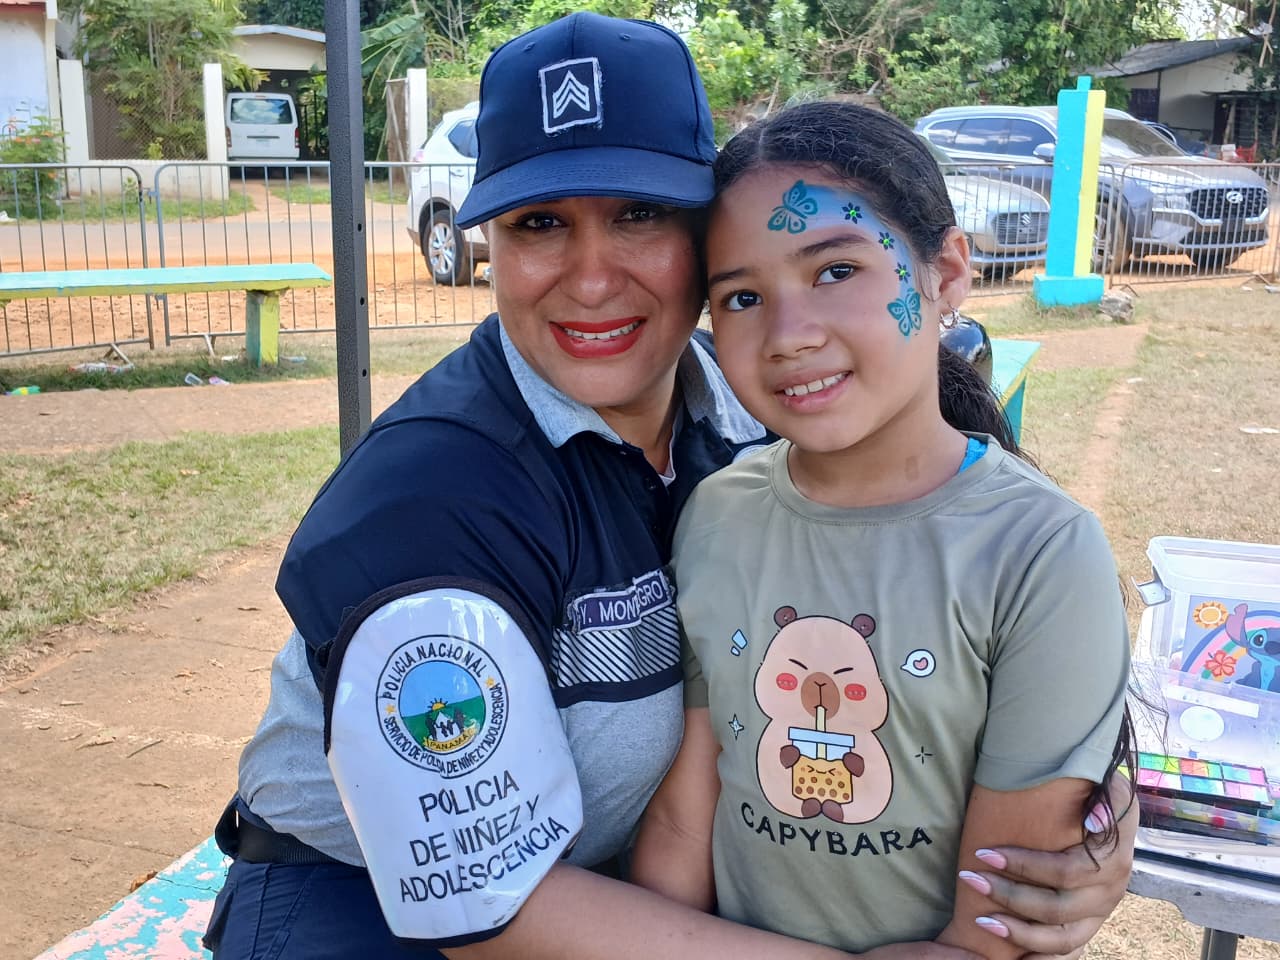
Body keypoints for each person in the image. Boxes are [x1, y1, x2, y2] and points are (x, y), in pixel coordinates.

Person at [203, 15, 1135, 960]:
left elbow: (975, 572)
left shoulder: (760, 398)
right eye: (539, 224)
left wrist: (1092, 814)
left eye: (640, 216)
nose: (594, 278)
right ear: (491, 247)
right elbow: (477, 901)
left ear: (705, 236)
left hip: (626, 891)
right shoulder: (434, 496)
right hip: (368, 905)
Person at [631, 100, 1136, 960]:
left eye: (835, 271)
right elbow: (686, 821)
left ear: (945, 275)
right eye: (743, 296)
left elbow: (989, 931)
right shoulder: (717, 513)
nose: (790, 336)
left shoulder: (1042, 555)